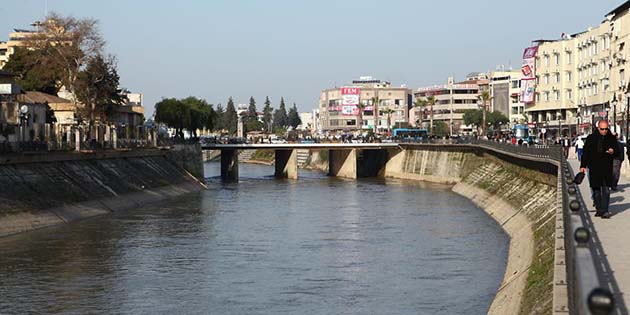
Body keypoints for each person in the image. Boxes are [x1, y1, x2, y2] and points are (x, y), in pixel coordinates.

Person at [579, 120, 618, 218]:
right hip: (594, 168)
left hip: (606, 168)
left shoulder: (611, 138)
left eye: (606, 129)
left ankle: (605, 210)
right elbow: (585, 153)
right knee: (596, 190)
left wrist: (612, 151)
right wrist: (583, 166)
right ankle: (599, 209)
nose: (604, 131)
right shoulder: (591, 138)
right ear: (598, 128)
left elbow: (618, 151)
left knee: (606, 190)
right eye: (602, 129)